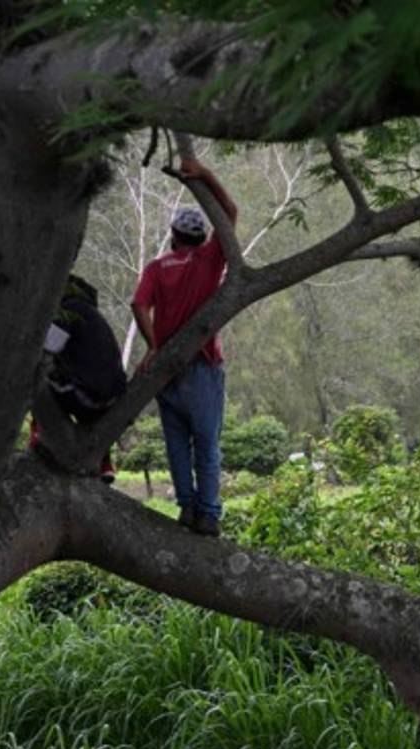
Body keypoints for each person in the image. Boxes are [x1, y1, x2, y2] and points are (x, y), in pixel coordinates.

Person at [131, 157, 238, 537]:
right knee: (206, 444)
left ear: (174, 236)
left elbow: (138, 304)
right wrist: (206, 174)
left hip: (165, 371)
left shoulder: (157, 268)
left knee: (177, 443)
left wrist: (154, 347)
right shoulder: (210, 259)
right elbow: (231, 211)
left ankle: (188, 508)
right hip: (203, 364)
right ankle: (208, 514)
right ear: (200, 237)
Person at [30, 276, 126, 483]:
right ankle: (104, 463)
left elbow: (48, 347)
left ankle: (39, 438)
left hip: (87, 397)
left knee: (35, 375)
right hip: (112, 400)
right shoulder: (95, 317)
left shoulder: (69, 311)